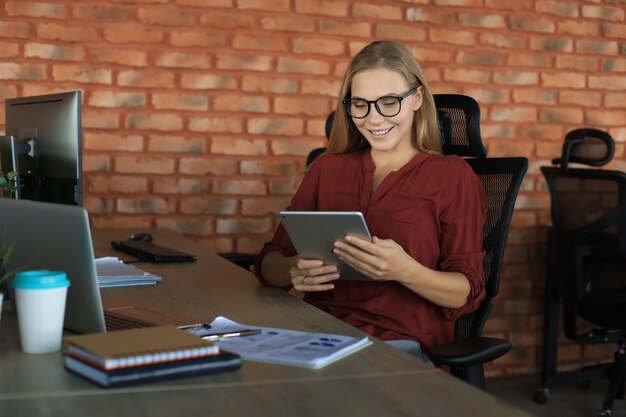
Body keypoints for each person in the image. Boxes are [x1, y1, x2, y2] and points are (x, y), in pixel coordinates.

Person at [253, 40, 488, 362]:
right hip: (316, 332)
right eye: (360, 104)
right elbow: (270, 260)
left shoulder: (452, 175)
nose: (374, 119)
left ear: (417, 98)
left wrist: (405, 270)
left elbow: (466, 291)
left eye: (389, 102)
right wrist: (290, 270)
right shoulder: (327, 168)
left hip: (398, 342)